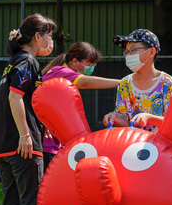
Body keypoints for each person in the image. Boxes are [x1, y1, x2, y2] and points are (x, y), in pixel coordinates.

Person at [79, 29, 172, 205]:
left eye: (133, 50)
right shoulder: (125, 83)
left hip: (160, 154)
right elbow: (123, 117)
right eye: (126, 51)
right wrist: (114, 118)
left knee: (164, 203)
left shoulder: (167, 82)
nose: (128, 55)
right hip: (129, 153)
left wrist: (149, 118)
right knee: (117, 199)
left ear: (151, 52)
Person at [0, 14, 56, 205]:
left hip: (3, 146)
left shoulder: (13, 63)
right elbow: (15, 97)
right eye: (49, 35)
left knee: (12, 204)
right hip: (23, 146)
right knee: (30, 204)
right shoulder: (27, 61)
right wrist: (26, 134)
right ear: (37, 37)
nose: (51, 41)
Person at [40, 41, 119, 169]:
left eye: (94, 64)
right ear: (75, 61)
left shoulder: (61, 73)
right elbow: (85, 83)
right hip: (46, 143)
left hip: (53, 140)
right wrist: (122, 82)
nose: (92, 67)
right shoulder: (60, 71)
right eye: (89, 63)